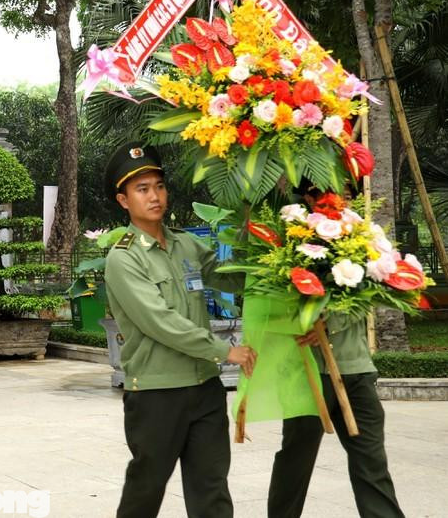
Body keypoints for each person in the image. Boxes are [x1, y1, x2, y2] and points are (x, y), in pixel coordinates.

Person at [102, 141, 256, 517]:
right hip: (157, 394)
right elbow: (160, 322)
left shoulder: (187, 246)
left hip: (204, 388)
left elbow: (233, 279)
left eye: (159, 186)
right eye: (142, 189)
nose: (154, 196)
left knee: (211, 490)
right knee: (146, 491)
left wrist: (270, 259)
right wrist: (225, 351)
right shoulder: (123, 258)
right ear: (124, 201)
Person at [267, 185, 404, 518]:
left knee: (371, 461)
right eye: (320, 191)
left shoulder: (364, 236)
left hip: (355, 368)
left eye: (342, 188)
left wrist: (331, 322)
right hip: (307, 374)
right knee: (296, 461)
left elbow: (372, 292)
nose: (333, 196)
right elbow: (272, 292)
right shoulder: (291, 237)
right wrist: (302, 319)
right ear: (309, 199)